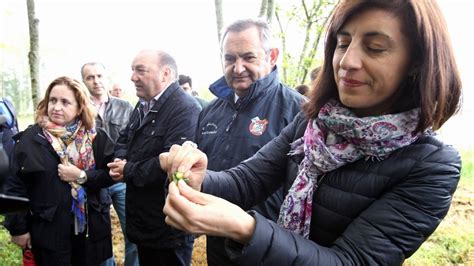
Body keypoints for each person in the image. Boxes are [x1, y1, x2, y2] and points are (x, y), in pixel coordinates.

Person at [159, 0, 462, 265]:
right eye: (343, 43)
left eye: (375, 48)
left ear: (417, 62)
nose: (347, 62)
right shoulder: (313, 123)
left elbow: (352, 260)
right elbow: (248, 180)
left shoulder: (432, 165)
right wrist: (202, 177)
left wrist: (247, 228)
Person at [195, 18, 304, 266]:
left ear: (272, 56)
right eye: (230, 58)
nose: (238, 67)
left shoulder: (298, 110)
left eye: (248, 57)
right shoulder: (210, 112)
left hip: (268, 244)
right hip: (217, 237)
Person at [3, 76, 117, 265]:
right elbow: (15, 186)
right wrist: (18, 229)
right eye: (53, 100)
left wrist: (82, 176)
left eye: (65, 102)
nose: (56, 107)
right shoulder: (31, 139)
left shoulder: (96, 137)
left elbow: (111, 175)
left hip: (90, 230)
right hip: (49, 230)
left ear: (80, 106)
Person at [107, 49, 200, 266]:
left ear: (165, 73)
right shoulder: (143, 104)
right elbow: (124, 138)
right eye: (132, 70)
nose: (132, 77)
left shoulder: (184, 108)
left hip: (167, 225)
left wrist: (127, 170)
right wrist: (121, 160)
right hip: (143, 220)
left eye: (140, 70)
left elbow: (172, 163)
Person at [81, 62, 137, 266]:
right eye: (90, 77)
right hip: (93, 181)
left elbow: (135, 139)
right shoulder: (79, 108)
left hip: (122, 179)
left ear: (106, 77)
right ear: (84, 81)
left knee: (133, 231)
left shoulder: (126, 107)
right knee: (100, 236)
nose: (96, 81)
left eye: (99, 76)